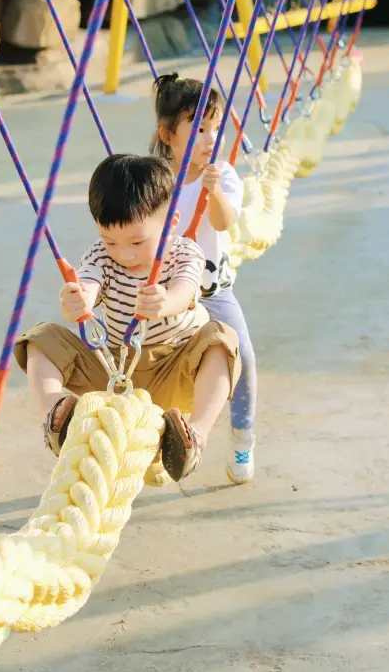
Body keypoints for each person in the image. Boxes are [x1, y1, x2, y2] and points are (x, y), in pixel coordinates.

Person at [14, 153, 241, 482]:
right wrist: (78, 300)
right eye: (110, 240)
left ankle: (195, 437)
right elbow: (88, 283)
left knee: (221, 338)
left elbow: (186, 291)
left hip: (176, 365)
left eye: (137, 241)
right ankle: (57, 417)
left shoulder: (184, 252)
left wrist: (165, 302)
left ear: (172, 222)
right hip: (116, 371)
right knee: (39, 339)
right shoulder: (100, 255)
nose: (125, 254)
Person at [150, 73, 257, 483]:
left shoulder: (223, 174)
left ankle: (242, 439)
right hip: (169, 293)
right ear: (167, 132)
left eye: (215, 128)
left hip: (212, 292)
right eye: (198, 129)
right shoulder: (157, 178)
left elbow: (225, 221)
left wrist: (213, 192)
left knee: (242, 359)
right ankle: (159, 439)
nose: (210, 138)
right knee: (152, 365)